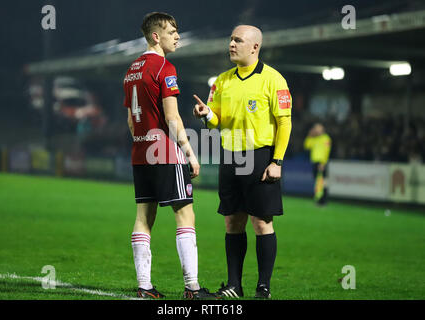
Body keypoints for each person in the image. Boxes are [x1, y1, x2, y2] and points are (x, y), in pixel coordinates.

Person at [193, 25, 292, 299]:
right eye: (231, 39)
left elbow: (284, 123)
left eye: (238, 40)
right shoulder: (221, 81)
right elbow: (216, 121)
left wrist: (277, 161)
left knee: (261, 223)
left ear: (255, 47)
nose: (232, 44)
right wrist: (205, 115)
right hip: (230, 155)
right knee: (232, 222)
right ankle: (234, 286)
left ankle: (263, 287)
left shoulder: (273, 79)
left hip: (260, 156)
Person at [123, 12, 216, 299]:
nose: (177, 37)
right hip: (164, 150)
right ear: (156, 36)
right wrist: (190, 153)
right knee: (185, 214)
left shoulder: (131, 70)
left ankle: (144, 287)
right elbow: (172, 117)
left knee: (143, 216)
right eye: (172, 31)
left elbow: (130, 120)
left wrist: (143, 140)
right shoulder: (165, 67)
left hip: (140, 151)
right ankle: (192, 288)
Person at [303, 123, 332, 206]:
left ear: (322, 130)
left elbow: (326, 151)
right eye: (315, 128)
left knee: (322, 182)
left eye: (317, 128)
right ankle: (319, 199)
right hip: (315, 162)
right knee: (318, 182)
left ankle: (323, 200)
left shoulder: (326, 138)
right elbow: (306, 146)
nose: (316, 130)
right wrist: (309, 135)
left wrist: (323, 163)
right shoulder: (314, 139)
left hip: (321, 163)